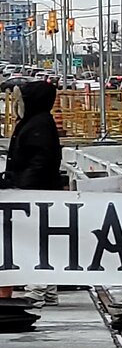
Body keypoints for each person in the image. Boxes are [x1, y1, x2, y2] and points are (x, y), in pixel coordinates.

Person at [3, 81, 63, 307]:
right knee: (42, 241)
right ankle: (47, 289)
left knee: (32, 241)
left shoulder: (37, 124)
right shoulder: (38, 122)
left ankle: (37, 289)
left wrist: (22, 187)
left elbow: (40, 160)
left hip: (35, 194)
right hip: (38, 192)